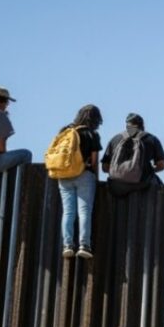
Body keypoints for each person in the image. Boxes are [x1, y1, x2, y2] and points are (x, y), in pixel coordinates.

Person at [56, 105, 103, 259]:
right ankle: (84, 245)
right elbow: (94, 161)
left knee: (68, 212)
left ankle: (67, 245)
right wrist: (95, 179)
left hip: (64, 175)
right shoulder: (92, 134)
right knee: (84, 211)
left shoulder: (65, 131)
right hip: (84, 175)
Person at [101, 113, 164, 196]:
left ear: (127, 125)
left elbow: (104, 167)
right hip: (143, 184)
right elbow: (162, 165)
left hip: (116, 186)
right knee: (158, 184)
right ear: (142, 126)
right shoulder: (151, 139)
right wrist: (147, 171)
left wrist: (120, 172)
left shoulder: (115, 139)